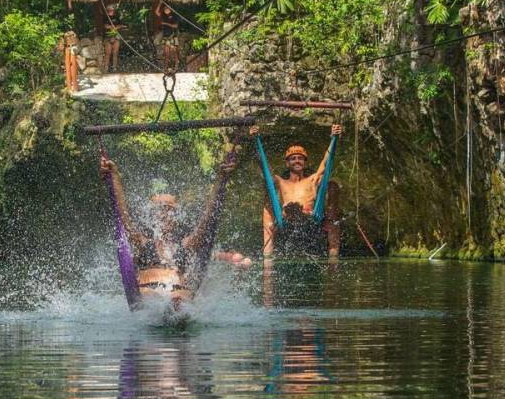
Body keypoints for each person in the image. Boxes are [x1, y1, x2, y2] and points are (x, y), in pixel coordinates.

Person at [100, 152, 237, 310]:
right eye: (158, 210)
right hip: (148, 295)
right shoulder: (142, 243)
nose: (163, 214)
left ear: (176, 216)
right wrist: (114, 176)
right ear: (151, 216)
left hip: (178, 296)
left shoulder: (187, 244)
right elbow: (123, 218)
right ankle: (169, 308)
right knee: (160, 299)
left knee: (176, 301)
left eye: (168, 209)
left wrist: (221, 180)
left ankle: (173, 309)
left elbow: (206, 222)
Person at [252, 124, 342, 259]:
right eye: (293, 158)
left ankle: (333, 258)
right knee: (269, 203)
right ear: (287, 164)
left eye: (300, 158)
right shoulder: (281, 182)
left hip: (310, 218)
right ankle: (267, 257)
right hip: (286, 220)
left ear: (305, 162)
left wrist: (333, 139)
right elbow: (266, 169)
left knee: (331, 189)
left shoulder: (312, 180)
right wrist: (256, 140)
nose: (297, 161)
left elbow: (325, 163)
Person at [155, 0, 180, 72]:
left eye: (167, 8)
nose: (166, 9)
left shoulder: (174, 15)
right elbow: (156, 12)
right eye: (165, 8)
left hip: (173, 36)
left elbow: (175, 26)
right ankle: (165, 68)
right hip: (166, 36)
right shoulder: (163, 15)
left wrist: (166, 23)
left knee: (175, 53)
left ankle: (176, 68)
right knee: (167, 54)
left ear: (170, 9)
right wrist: (160, 3)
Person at [103, 4, 127, 73]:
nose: (112, 11)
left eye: (113, 10)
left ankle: (115, 68)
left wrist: (116, 27)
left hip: (116, 38)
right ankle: (106, 68)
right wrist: (112, 27)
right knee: (108, 53)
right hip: (108, 38)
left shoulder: (117, 18)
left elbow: (121, 25)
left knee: (115, 53)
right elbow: (105, 26)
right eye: (110, 10)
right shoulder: (105, 18)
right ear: (108, 11)